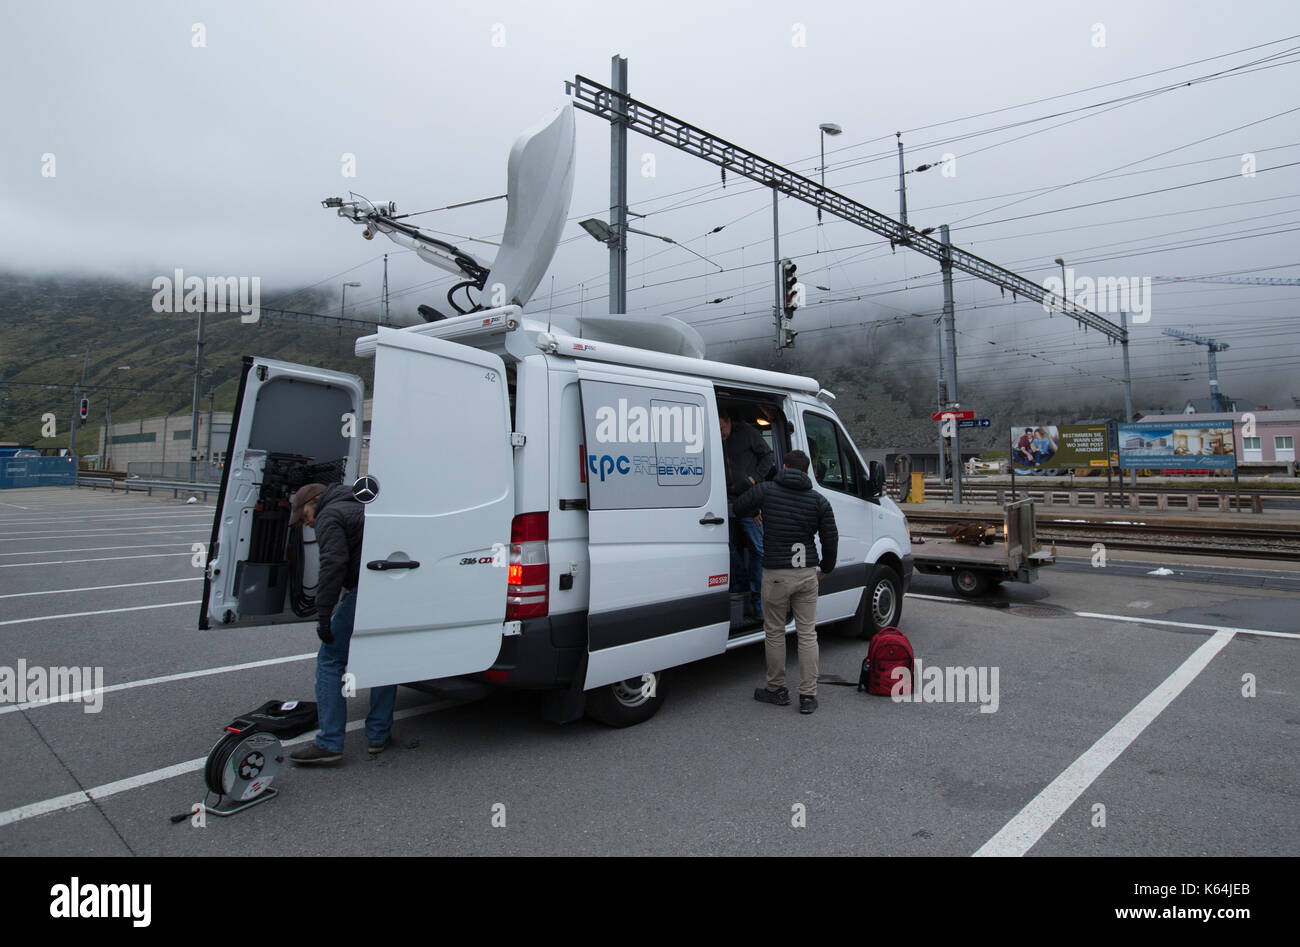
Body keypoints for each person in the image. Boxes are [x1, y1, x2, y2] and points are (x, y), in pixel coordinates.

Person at [287, 482, 397, 764]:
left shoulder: (330, 515)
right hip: (388, 589)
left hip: (363, 591)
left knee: (330, 660)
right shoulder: (364, 504)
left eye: (305, 515)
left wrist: (324, 615)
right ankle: (378, 735)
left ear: (315, 500)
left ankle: (330, 742)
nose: (307, 523)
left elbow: (333, 564)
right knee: (383, 659)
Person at [733, 449, 837, 715]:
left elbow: (738, 507)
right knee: (807, 634)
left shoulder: (767, 490)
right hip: (806, 573)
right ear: (805, 472)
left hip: (776, 575)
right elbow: (830, 538)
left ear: (784, 467)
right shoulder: (819, 500)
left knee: (776, 632)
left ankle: (776, 689)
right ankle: (808, 696)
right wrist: (826, 567)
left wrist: (756, 505)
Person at [720, 410, 775, 620]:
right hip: (726, 500)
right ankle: (740, 583)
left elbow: (768, 456)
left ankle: (758, 600)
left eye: (723, 428)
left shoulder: (748, 433)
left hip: (750, 499)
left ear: (729, 420)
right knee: (724, 545)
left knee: (758, 549)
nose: (721, 433)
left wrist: (754, 478)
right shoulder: (715, 436)